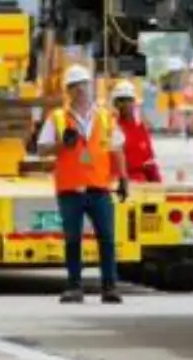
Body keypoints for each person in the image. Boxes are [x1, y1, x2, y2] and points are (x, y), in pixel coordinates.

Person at [36, 64, 128, 305]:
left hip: (99, 189)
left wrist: (124, 178)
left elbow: (117, 149)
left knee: (107, 238)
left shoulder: (105, 117)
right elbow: (41, 149)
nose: (82, 91)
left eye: (85, 85)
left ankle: (110, 286)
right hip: (70, 191)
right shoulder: (57, 118)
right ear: (69, 91)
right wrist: (60, 145)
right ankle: (74, 286)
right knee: (73, 239)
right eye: (76, 87)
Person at [111, 81, 162, 183]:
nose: (125, 104)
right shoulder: (110, 128)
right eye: (121, 100)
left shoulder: (141, 129)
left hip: (141, 186)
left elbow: (150, 163)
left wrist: (159, 186)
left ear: (134, 102)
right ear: (115, 103)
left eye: (129, 100)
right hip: (117, 184)